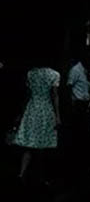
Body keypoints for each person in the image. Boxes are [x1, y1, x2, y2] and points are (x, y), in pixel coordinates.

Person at [14, 55, 62, 185]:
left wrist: (21, 112)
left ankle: (22, 173)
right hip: (45, 109)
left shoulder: (31, 73)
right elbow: (55, 96)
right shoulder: (54, 74)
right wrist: (58, 116)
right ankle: (41, 177)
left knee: (29, 145)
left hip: (32, 108)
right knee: (43, 145)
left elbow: (27, 94)